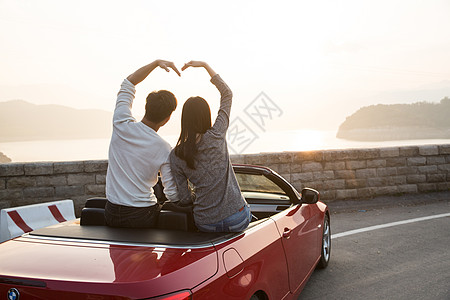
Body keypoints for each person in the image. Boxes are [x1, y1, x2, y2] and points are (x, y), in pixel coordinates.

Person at [169, 61, 251, 232]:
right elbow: (227, 93)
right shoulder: (217, 134)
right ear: (206, 115)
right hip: (236, 219)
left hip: (205, 223)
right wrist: (205, 66)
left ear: (184, 120)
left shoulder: (176, 155)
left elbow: (184, 199)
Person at [105, 59, 180, 228]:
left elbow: (128, 82)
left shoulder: (121, 124)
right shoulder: (164, 148)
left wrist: (156, 63)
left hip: (111, 212)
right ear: (167, 119)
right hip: (141, 215)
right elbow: (171, 193)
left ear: (146, 108)